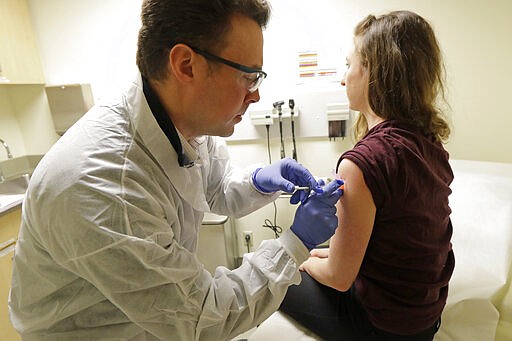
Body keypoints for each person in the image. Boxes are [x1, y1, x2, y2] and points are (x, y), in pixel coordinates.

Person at [8, 0, 344, 340]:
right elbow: (202, 318)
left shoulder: (182, 122)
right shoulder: (104, 183)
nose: (255, 96)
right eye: (248, 76)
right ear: (186, 65)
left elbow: (211, 187)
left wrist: (260, 181)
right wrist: (295, 242)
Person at [279, 10, 454, 341]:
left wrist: (300, 261)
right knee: (317, 254)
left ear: (375, 72)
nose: (344, 78)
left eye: (349, 64)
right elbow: (393, 242)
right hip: (426, 320)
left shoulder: (361, 163)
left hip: (383, 329)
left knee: (271, 272)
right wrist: (326, 254)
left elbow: (339, 277)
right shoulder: (430, 145)